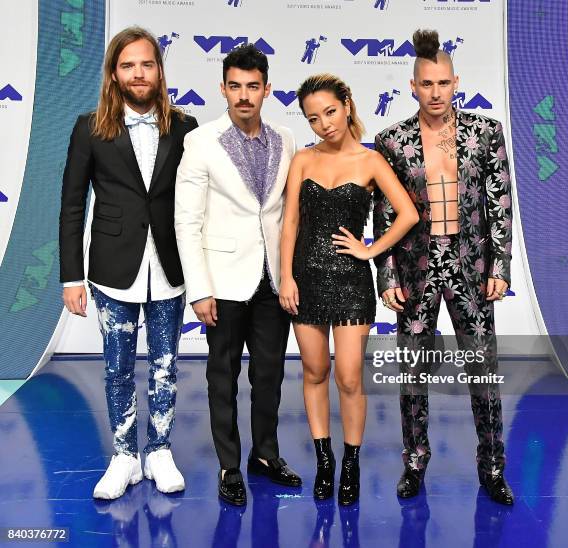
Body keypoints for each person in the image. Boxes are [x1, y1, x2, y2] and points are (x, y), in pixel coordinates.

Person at [373, 29, 514, 505]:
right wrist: (387, 274)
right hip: (416, 267)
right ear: (412, 86)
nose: (435, 93)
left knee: (484, 371)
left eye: (443, 83)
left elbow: (500, 204)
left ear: (457, 83)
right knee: (413, 372)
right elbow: (386, 214)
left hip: (472, 267)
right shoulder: (391, 141)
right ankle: (414, 464)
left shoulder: (485, 133)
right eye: (426, 84)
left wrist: (501, 264)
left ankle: (493, 466)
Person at [59, 26, 198, 499]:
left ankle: (158, 450)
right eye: (128, 65)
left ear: (159, 71)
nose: (138, 73)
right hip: (110, 270)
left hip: (171, 267)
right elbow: (72, 206)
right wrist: (71, 277)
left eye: (147, 64)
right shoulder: (89, 128)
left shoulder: (185, 127)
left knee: (165, 365)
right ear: (114, 74)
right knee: (116, 368)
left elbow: (196, 203)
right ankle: (123, 456)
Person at [279, 73, 418, 505]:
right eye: (313, 118)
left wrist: (370, 249)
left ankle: (351, 463)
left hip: (351, 282)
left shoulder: (371, 161)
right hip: (305, 278)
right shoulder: (302, 159)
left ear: (348, 104)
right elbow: (290, 225)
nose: (324, 123)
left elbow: (408, 214)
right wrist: (286, 276)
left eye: (330, 112)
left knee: (350, 376)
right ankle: (324, 461)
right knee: (315, 371)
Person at [174, 44, 301, 507]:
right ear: (223, 89)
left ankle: (264, 455)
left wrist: (288, 273)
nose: (244, 96)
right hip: (222, 282)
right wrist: (200, 288)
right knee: (221, 377)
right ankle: (230, 465)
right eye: (235, 86)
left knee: (269, 376)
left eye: (253, 86)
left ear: (267, 89)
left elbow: (286, 212)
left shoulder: (286, 139)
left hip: (271, 280)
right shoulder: (201, 141)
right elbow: (186, 221)